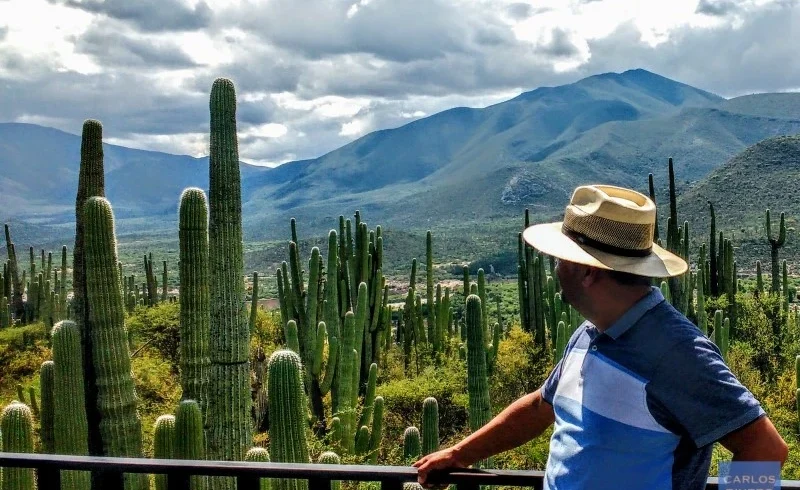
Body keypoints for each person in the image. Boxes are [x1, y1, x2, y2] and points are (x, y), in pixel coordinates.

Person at [413, 185, 788, 490]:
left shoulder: (678, 354)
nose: (555, 270)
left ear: (586, 272)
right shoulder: (590, 332)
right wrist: (461, 453)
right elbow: (541, 407)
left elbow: (766, 448)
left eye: (560, 260)